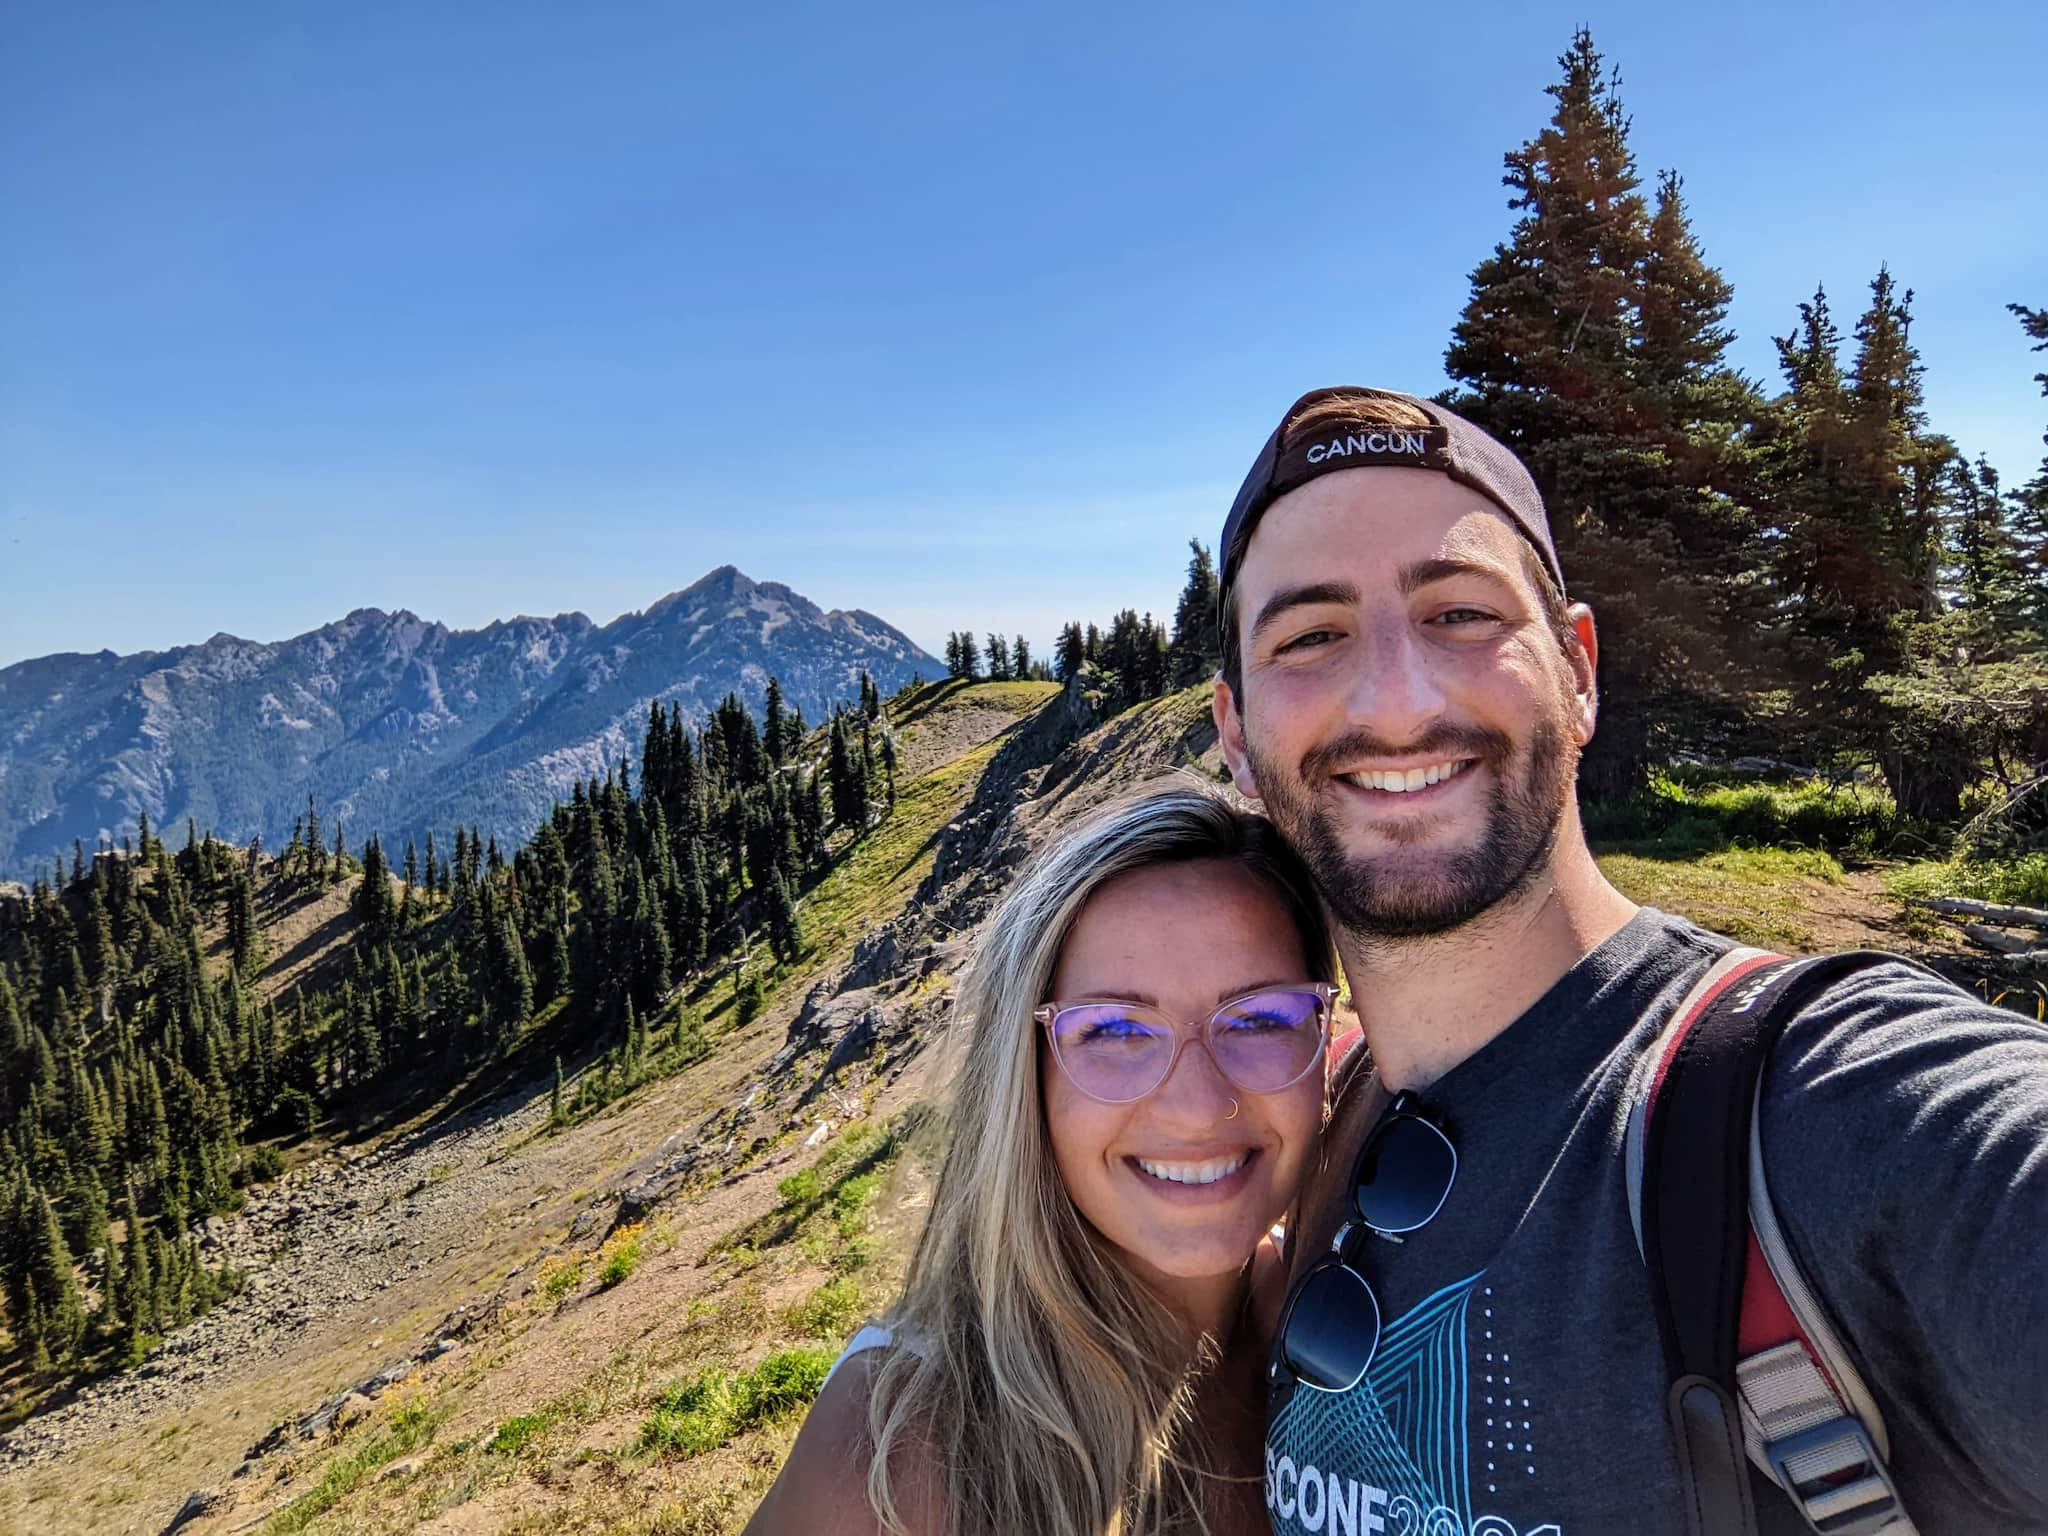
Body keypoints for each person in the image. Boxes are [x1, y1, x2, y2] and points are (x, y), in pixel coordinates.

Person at [1210, 386, 2048, 1535]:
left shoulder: (1838, 1110)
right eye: (1309, 636)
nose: (1394, 701)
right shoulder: (1307, 1135)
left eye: (1458, 613)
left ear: (1578, 669)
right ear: (1234, 734)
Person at [747, 782, 1343, 1536]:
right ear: (1025, 1079)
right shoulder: (895, 1456)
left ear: (1327, 1038)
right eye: (1117, 1033)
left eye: (1260, 1018)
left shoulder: (1370, 1333)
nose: (1198, 1105)